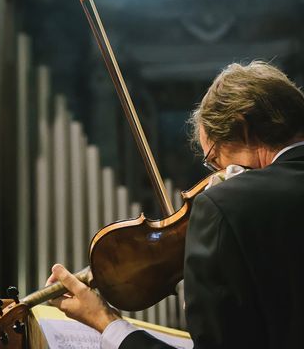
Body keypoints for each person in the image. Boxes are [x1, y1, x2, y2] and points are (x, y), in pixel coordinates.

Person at [47, 61, 304, 349]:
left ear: (243, 127)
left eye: (214, 159)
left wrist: (106, 322)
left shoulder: (227, 206)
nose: (217, 175)